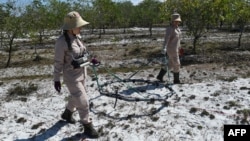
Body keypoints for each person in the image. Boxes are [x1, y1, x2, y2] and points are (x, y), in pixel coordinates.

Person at [53, 11, 99, 138]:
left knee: (76, 97)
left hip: (82, 74)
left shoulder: (77, 37)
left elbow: (82, 54)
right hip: (71, 77)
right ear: (71, 28)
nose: (81, 28)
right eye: (78, 26)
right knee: (83, 101)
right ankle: (87, 126)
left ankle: (67, 113)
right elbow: (58, 62)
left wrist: (91, 60)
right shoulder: (61, 42)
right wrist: (56, 79)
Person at [156, 12, 182, 84]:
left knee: (170, 64)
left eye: (178, 21)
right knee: (177, 64)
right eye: (176, 21)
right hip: (171, 49)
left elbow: (178, 40)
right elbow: (166, 39)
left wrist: (180, 48)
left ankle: (160, 76)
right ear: (172, 21)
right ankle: (176, 80)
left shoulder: (178, 29)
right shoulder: (169, 29)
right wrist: (164, 47)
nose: (177, 22)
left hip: (176, 49)